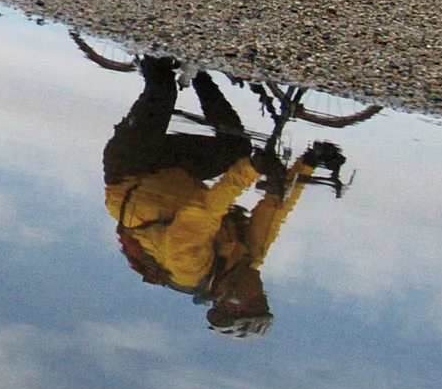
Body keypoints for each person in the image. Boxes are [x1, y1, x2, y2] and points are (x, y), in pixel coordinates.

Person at [102, 57, 336, 338]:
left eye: (257, 301)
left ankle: (151, 57)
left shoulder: (187, 267)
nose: (263, 293)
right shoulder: (245, 258)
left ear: (231, 302)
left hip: (128, 169)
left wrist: (253, 169)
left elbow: (206, 209)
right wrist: (309, 163)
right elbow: (275, 208)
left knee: (163, 87)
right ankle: (199, 73)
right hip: (174, 172)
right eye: (264, 301)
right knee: (236, 148)